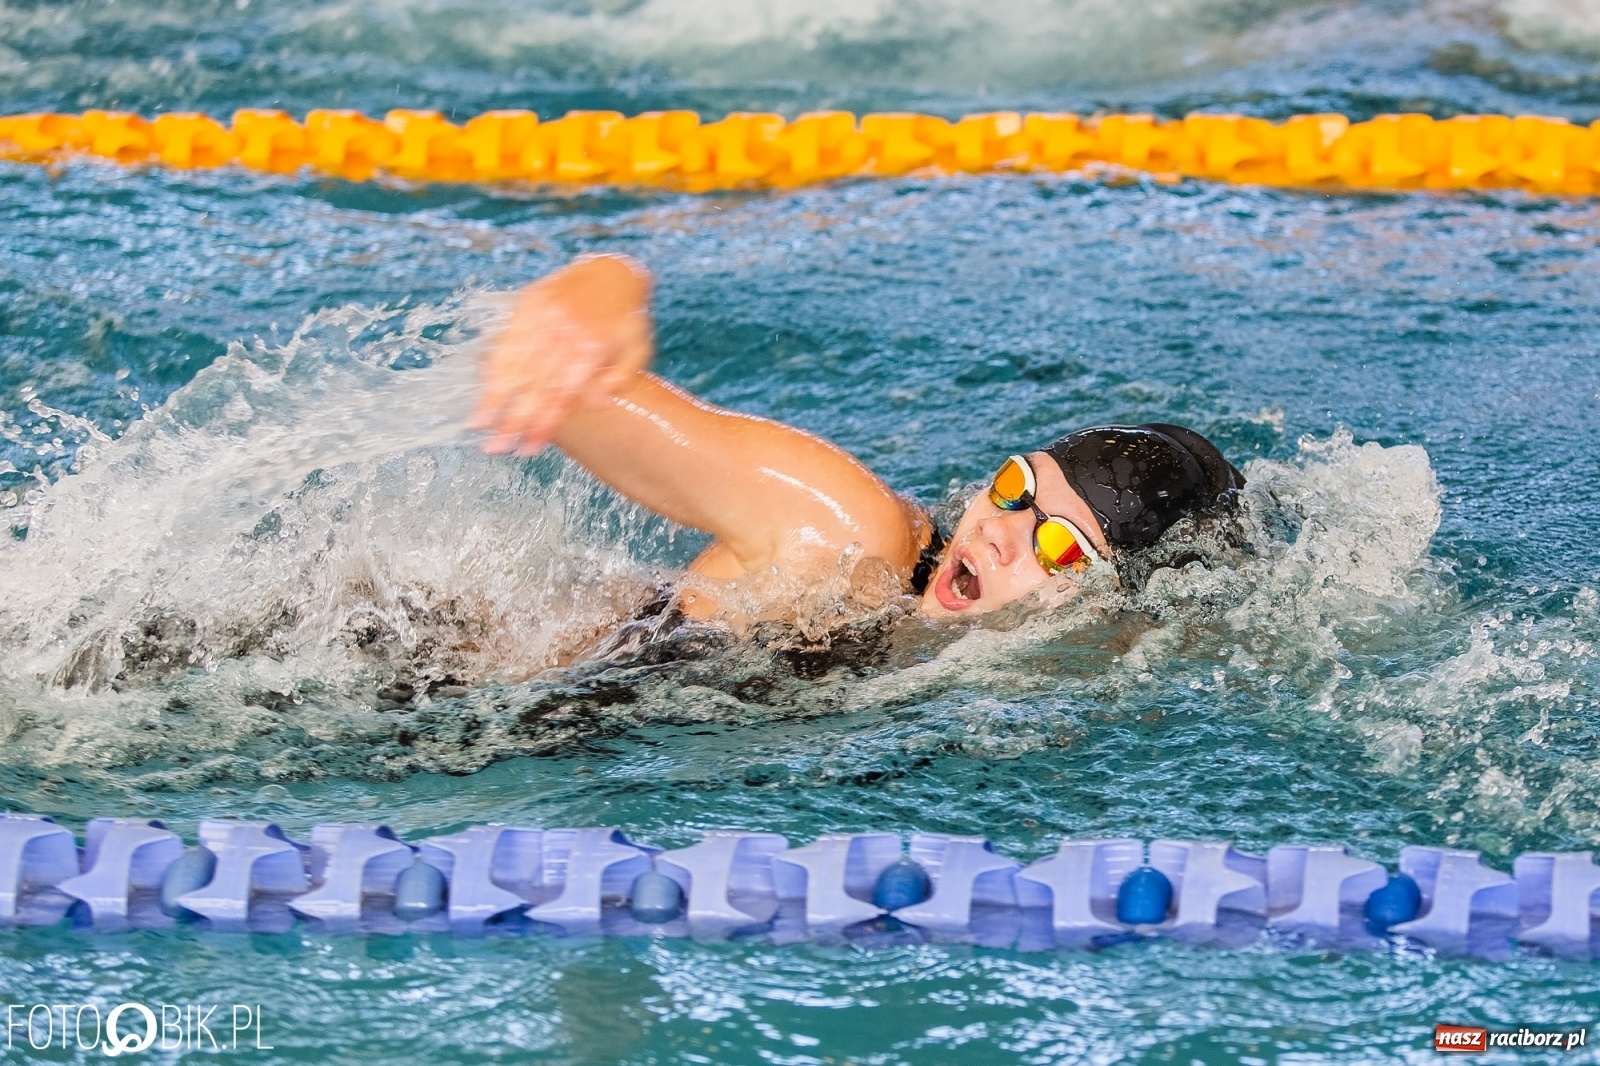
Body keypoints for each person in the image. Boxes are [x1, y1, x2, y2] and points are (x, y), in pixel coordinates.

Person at [470, 253, 1246, 630]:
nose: (1000, 534)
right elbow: (568, 392)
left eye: (1063, 548)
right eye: (1015, 489)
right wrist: (603, 288)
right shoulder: (851, 538)